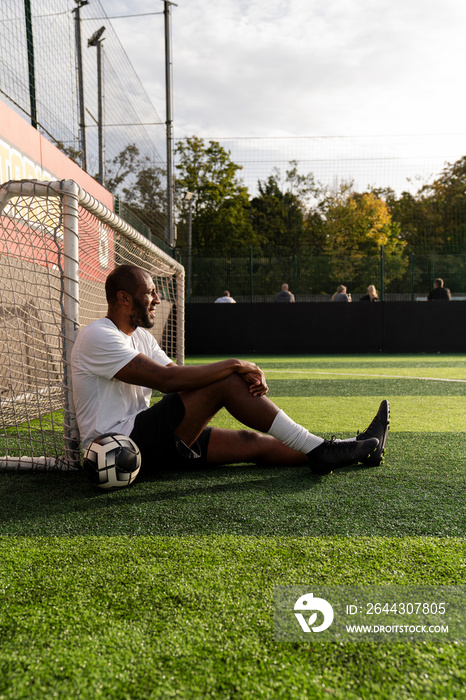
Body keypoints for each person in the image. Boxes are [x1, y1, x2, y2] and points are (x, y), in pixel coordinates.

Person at [71, 265, 390, 480]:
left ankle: (356, 447)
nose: (157, 299)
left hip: (150, 442)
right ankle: (322, 452)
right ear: (124, 299)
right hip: (115, 448)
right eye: (150, 293)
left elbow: (176, 376)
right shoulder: (98, 335)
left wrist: (227, 375)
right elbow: (167, 381)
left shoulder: (138, 336)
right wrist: (236, 365)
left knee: (254, 442)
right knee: (225, 379)